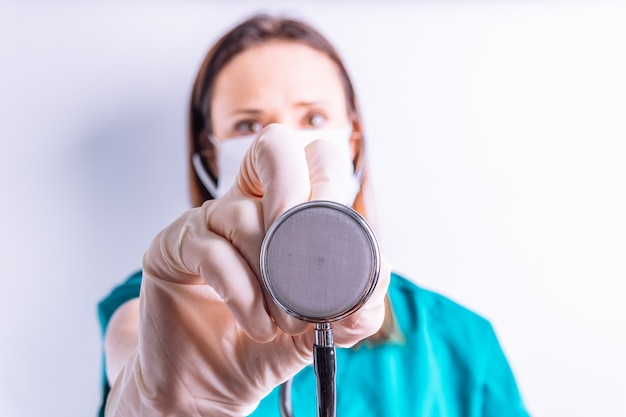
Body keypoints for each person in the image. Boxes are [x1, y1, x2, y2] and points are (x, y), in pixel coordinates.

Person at [97, 13, 530, 417]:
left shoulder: (460, 341)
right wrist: (159, 404)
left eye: (315, 116)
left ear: (353, 146)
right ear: (210, 159)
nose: (283, 141)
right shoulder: (159, 308)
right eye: (248, 125)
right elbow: (132, 359)